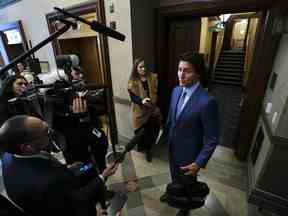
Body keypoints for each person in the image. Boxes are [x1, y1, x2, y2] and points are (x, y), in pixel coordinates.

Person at [0, 115, 119, 216]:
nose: (51, 132)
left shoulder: (8, 156)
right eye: (46, 132)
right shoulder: (48, 182)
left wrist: (66, 169)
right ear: (27, 147)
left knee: (87, 167)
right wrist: (102, 176)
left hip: (56, 194)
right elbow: (78, 199)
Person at [160, 52, 219, 216]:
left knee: (187, 185)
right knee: (174, 178)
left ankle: (185, 209)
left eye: (187, 71)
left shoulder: (207, 101)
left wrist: (199, 163)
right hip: (172, 148)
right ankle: (173, 193)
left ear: (198, 73)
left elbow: (212, 138)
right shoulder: (176, 91)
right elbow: (173, 120)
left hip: (189, 157)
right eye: (179, 69)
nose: (181, 74)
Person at [127, 58, 161, 162]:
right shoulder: (132, 81)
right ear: (136, 68)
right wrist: (141, 101)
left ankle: (149, 151)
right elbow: (133, 97)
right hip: (139, 112)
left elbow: (158, 93)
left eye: (144, 66)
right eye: (140, 67)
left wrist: (156, 107)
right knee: (141, 134)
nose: (143, 69)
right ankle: (144, 148)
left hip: (152, 111)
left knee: (151, 133)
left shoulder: (152, 77)